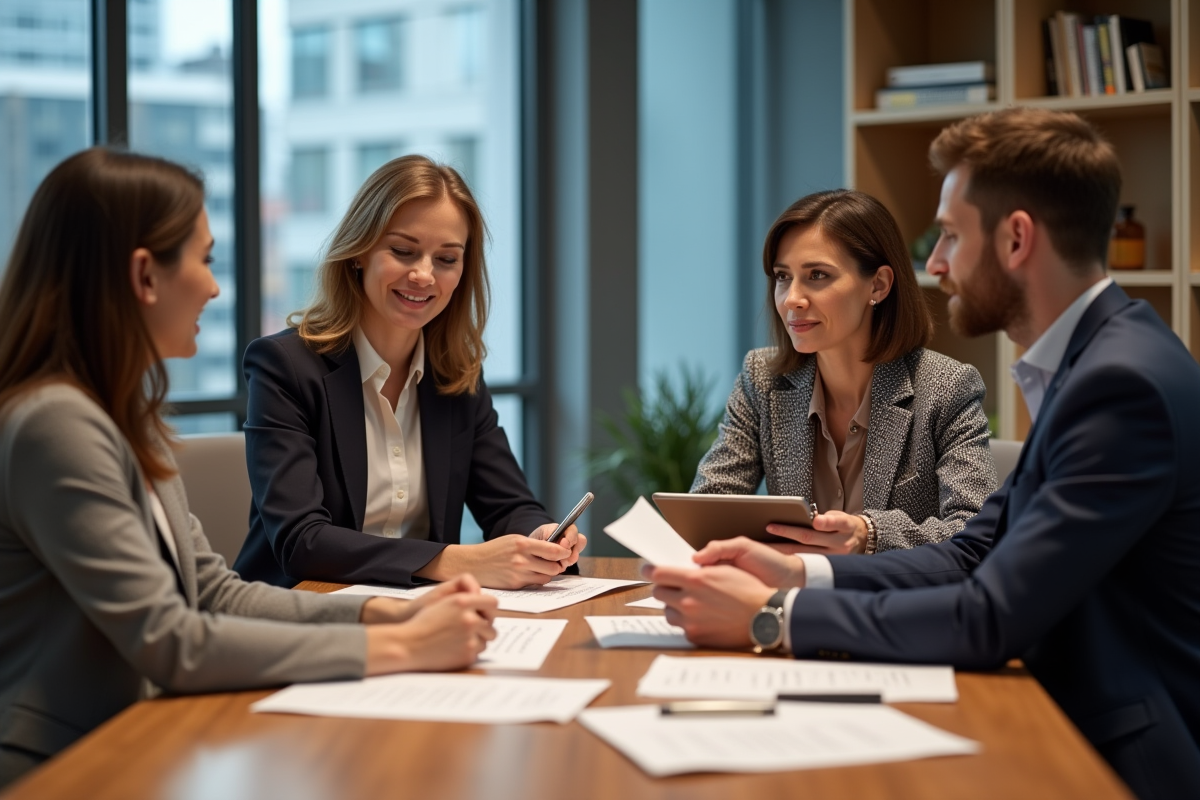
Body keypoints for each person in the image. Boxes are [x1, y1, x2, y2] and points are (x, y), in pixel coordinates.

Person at [645, 107, 1200, 799]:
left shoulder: (1119, 384)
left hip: (1109, 754)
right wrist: (799, 573)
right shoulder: (1099, 363)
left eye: (950, 235)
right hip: (1058, 715)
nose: (934, 264)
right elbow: (975, 553)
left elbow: (990, 614)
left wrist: (771, 615)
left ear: (1017, 238)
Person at [0, 148, 499, 787]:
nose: (214, 286)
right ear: (145, 275)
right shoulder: (55, 424)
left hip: (141, 733)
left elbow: (215, 594)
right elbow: (171, 639)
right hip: (64, 761)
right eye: (205, 261)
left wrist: (386, 613)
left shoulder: (125, 418)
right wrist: (397, 648)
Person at [233, 155, 584, 590]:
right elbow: (301, 542)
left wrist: (539, 536)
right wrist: (456, 561)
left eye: (446, 259)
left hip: (418, 612)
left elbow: (509, 505)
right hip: (298, 614)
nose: (423, 275)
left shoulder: (457, 377)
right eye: (402, 251)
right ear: (359, 252)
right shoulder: (285, 366)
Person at [692, 189, 997, 554]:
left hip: (894, 604)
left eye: (817, 275)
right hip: (791, 598)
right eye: (782, 276)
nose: (791, 299)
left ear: (879, 285)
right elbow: (710, 506)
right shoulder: (762, 379)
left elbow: (977, 532)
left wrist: (869, 534)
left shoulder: (946, 388)